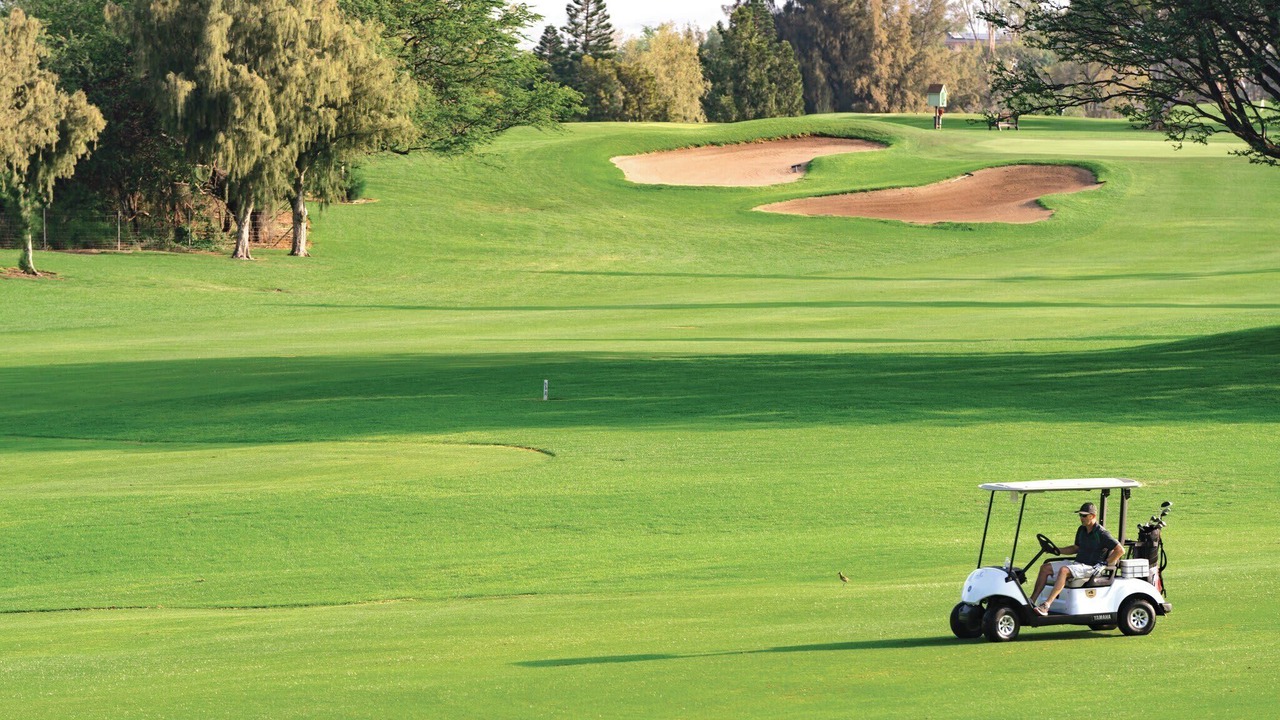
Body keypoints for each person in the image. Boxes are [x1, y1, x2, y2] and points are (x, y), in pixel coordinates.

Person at [1029, 502, 1125, 616]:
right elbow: (1075, 548)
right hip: (1078, 564)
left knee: (1064, 570)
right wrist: (1057, 550)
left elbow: (1120, 550)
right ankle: (1031, 602)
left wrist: (1104, 563)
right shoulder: (1082, 530)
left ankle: (1046, 605)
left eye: (1084, 516)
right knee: (1045, 568)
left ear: (1093, 516)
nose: (1081, 518)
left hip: (1092, 567)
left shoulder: (1102, 533)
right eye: (1080, 515)